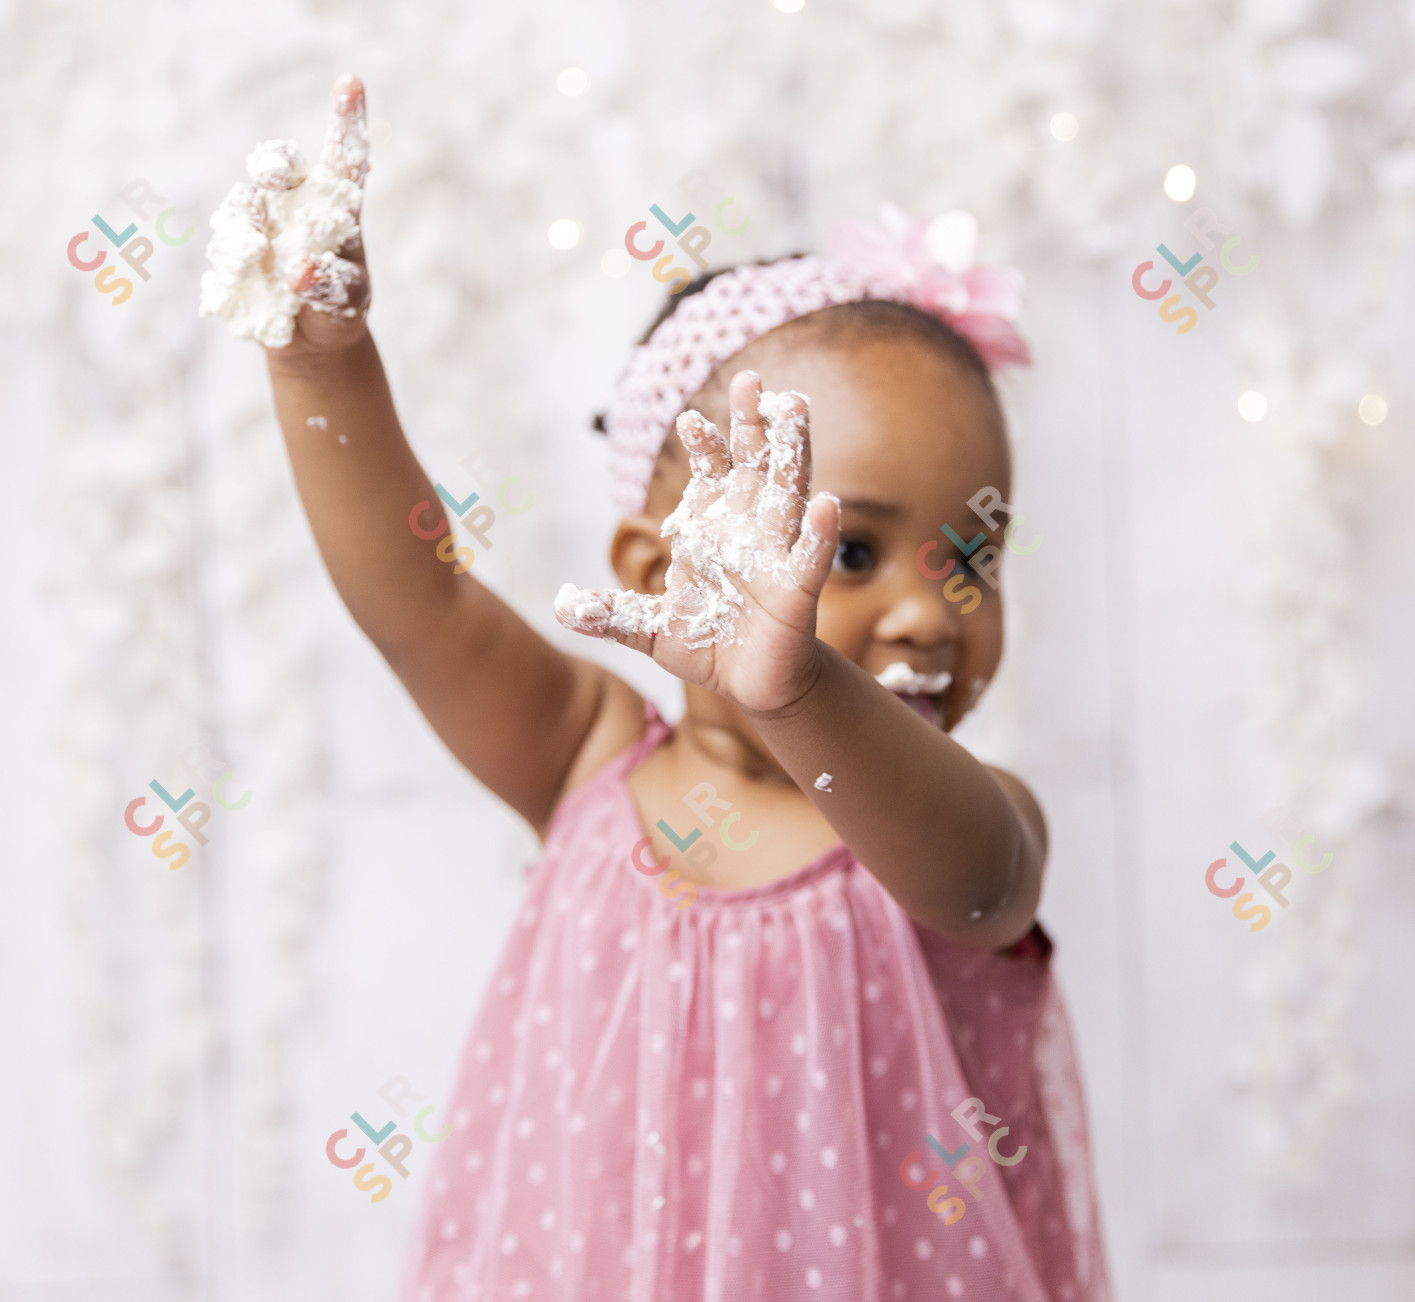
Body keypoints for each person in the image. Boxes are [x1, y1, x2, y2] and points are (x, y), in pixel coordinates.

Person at [220, 74, 1106, 1302]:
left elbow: (981, 893)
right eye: (849, 551)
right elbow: (418, 603)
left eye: (970, 560)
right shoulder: (585, 756)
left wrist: (799, 690)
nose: (926, 611)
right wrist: (324, 370)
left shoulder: (962, 822)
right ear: (656, 568)